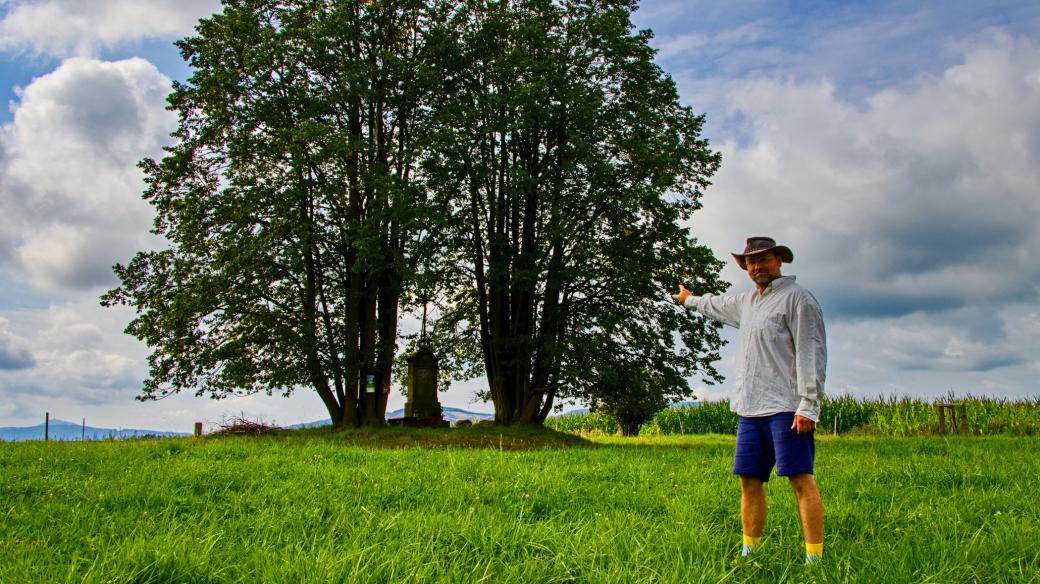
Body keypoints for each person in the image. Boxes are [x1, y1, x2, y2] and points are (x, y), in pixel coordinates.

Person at [672, 236, 826, 565]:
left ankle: (815, 560)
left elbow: (811, 352)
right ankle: (750, 552)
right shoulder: (748, 302)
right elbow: (715, 304)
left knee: (800, 479)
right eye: (751, 262)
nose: (758, 266)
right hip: (749, 408)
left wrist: (808, 405)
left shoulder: (798, 299)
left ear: (778, 261)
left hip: (786, 408)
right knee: (749, 480)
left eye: (764, 260)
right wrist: (688, 300)